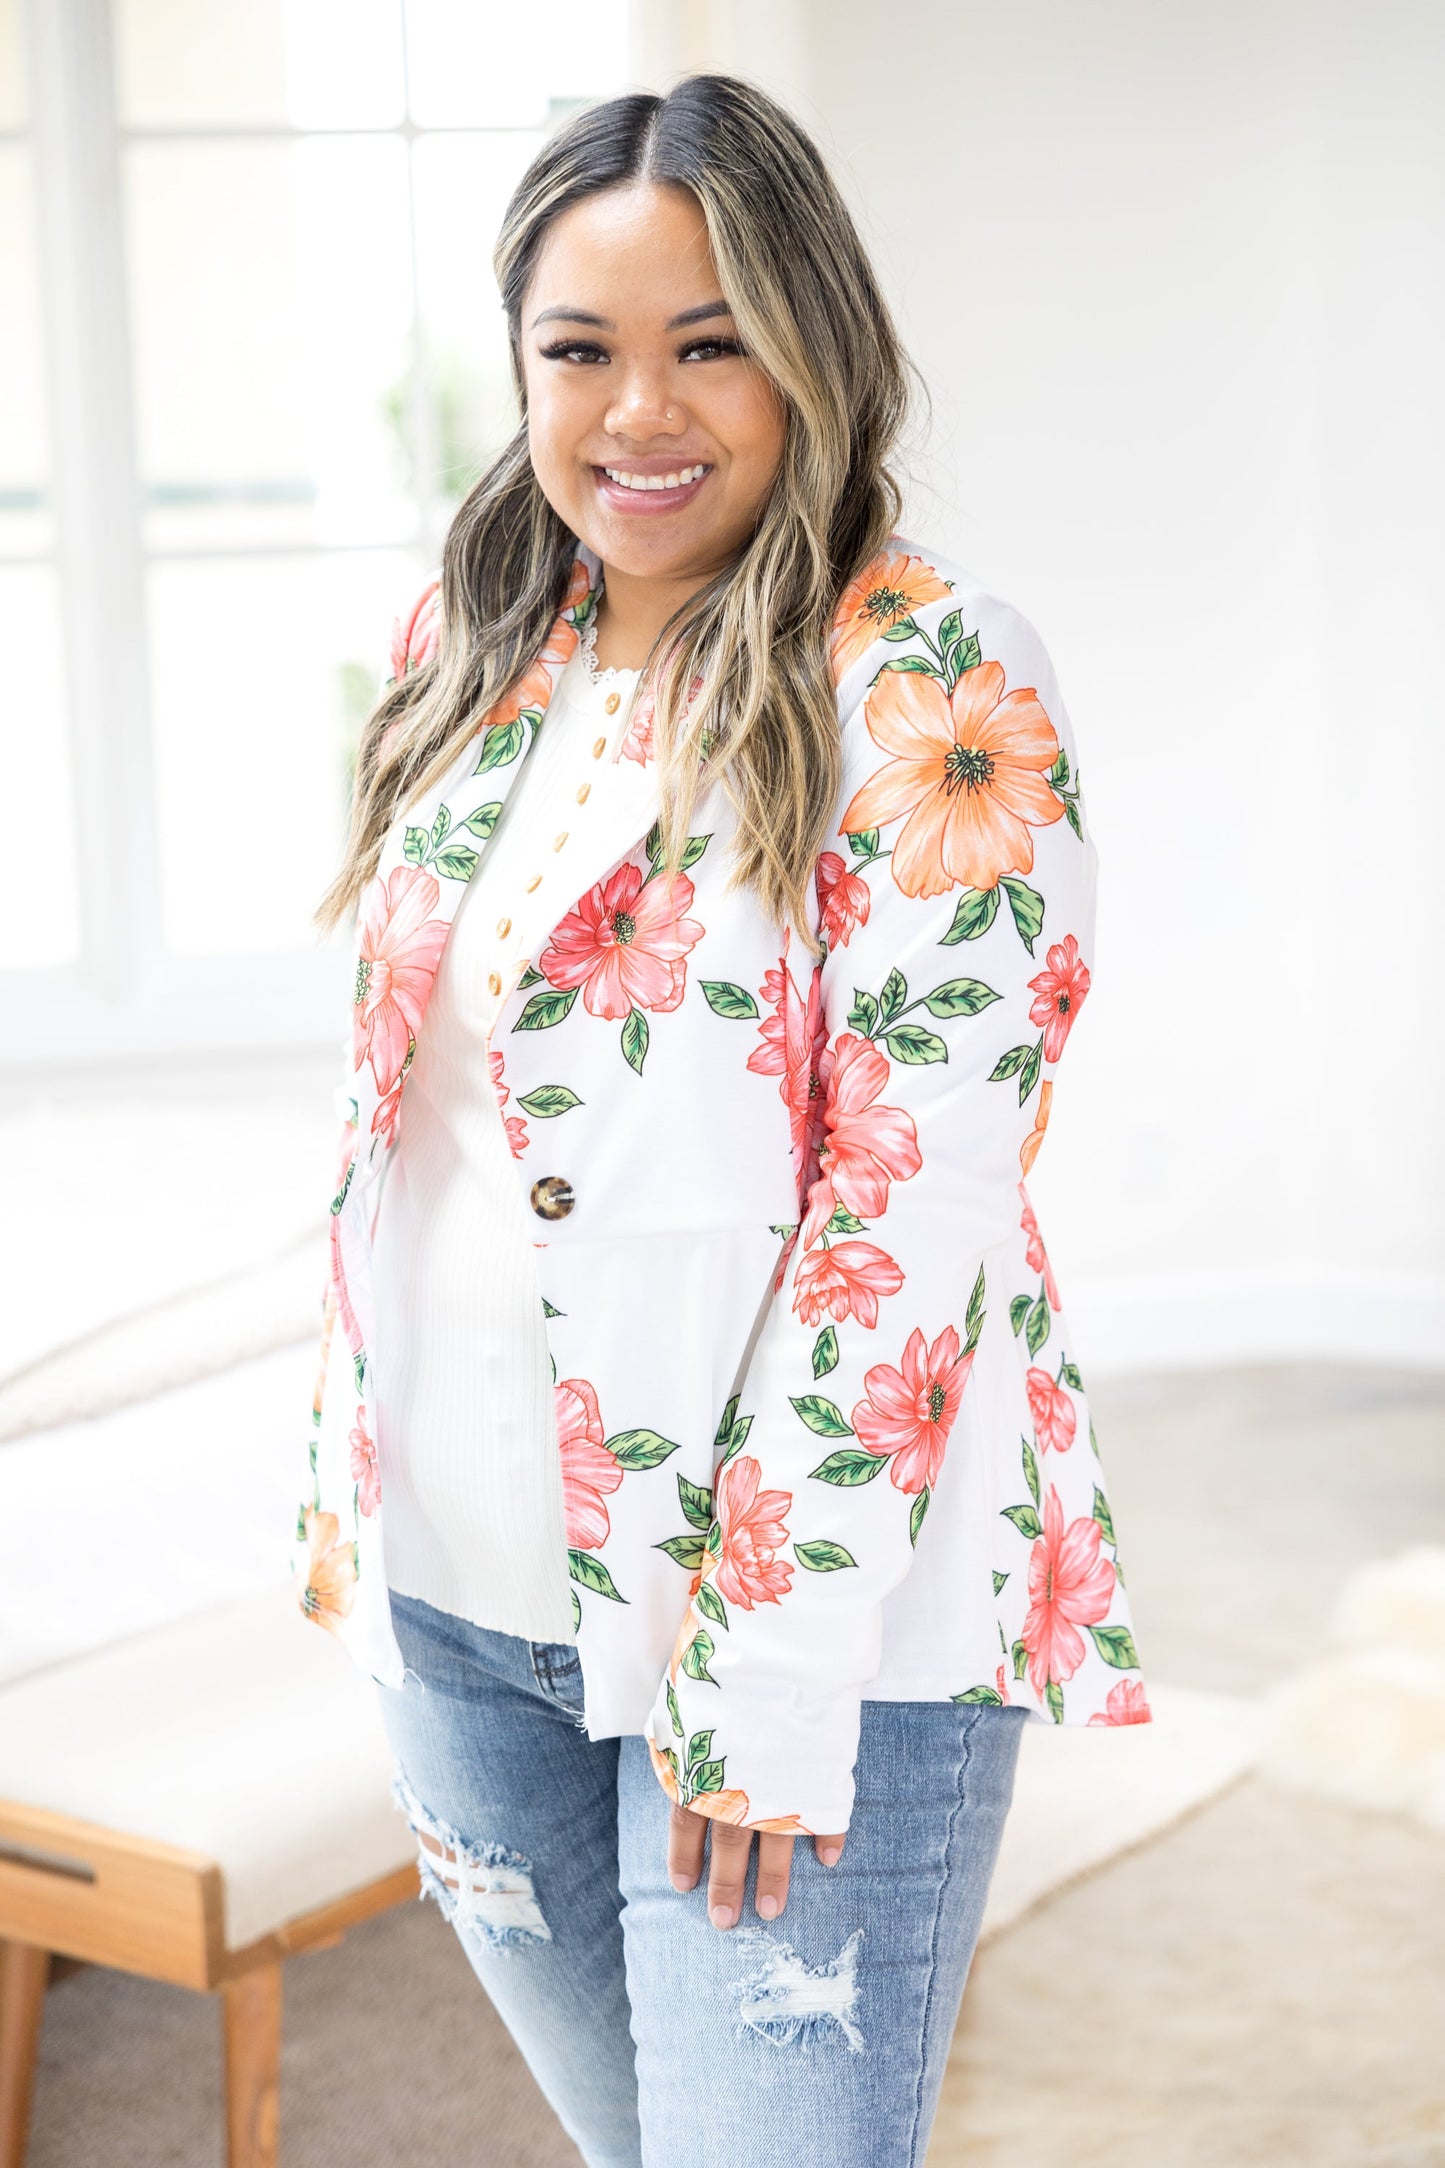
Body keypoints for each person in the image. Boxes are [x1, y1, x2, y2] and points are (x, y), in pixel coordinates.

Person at [301, 70, 1147, 2168]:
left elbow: (911, 1204)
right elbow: (422, 1136)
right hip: (463, 1597)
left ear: (814, 346)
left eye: (711, 342)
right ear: (521, 365)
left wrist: (760, 1680)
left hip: (798, 1626)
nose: (638, 412)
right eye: (580, 350)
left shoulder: (933, 679)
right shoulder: (472, 645)